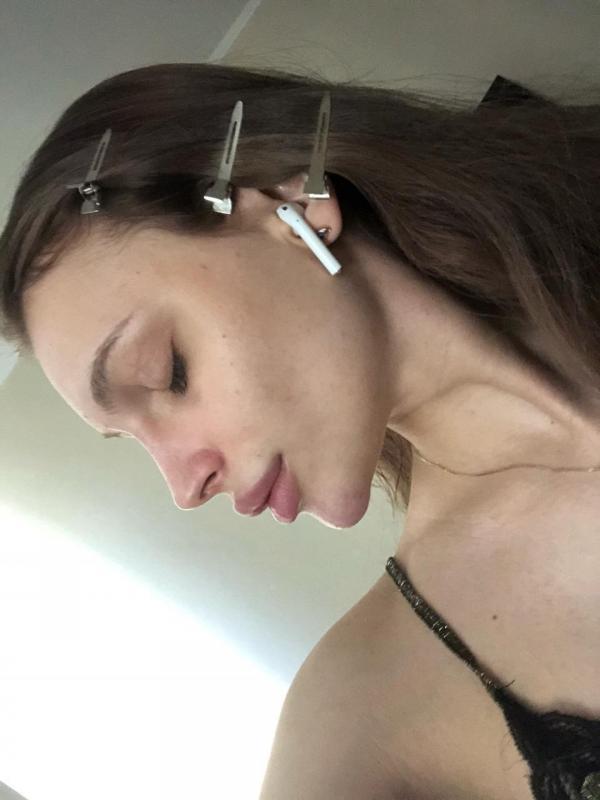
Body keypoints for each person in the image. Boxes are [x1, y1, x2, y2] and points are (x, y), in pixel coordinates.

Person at [1, 63, 600, 799]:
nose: (186, 487)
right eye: (134, 441)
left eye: (168, 373)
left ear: (295, 208)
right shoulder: (367, 703)